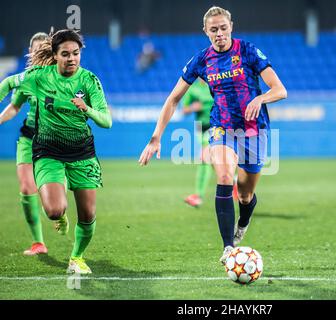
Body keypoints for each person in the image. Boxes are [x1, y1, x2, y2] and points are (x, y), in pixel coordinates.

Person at [139, 6, 287, 263]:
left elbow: (280, 90)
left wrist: (260, 98)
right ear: (205, 32)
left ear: (231, 26)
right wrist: (156, 136)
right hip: (221, 127)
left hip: (254, 128)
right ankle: (228, 247)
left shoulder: (248, 51)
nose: (219, 33)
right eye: (213, 29)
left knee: (245, 194)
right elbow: (174, 99)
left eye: (223, 28)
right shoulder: (201, 60)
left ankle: (244, 220)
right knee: (224, 176)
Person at [0, 29, 112, 274]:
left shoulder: (89, 80)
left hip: (82, 153)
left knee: (88, 214)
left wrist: (87, 110)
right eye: (65, 54)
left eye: (76, 53)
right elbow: (9, 83)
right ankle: (52, 224)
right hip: (48, 150)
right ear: (55, 55)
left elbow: (106, 121)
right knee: (54, 210)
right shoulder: (39, 76)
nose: (72, 58)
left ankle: (77, 258)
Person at [0, 32, 50, 256]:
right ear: (30, 53)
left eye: (44, 50)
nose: (40, 55)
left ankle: (59, 215)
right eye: (36, 51)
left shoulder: (61, 78)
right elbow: (14, 107)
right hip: (28, 139)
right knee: (26, 188)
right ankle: (38, 243)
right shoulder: (25, 80)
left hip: (52, 142)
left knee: (52, 203)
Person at [182, 78, 214, 207]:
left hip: (216, 126)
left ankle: (198, 195)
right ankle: (234, 183)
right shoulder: (193, 89)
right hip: (201, 128)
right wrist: (192, 108)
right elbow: (184, 110)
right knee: (212, 161)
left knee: (205, 158)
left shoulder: (215, 82)